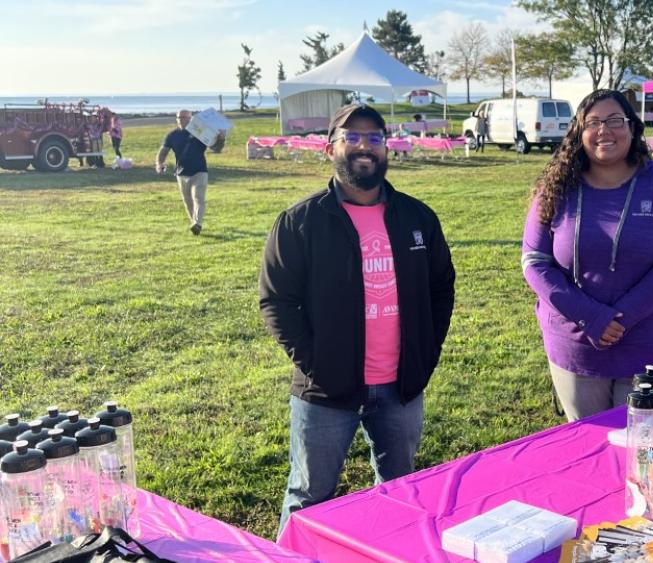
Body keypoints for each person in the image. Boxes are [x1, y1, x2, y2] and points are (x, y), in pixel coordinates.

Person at [260, 104, 456, 534]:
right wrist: (316, 363)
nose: (363, 146)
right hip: (326, 391)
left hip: (401, 387)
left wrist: (425, 354)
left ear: (387, 148)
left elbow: (442, 287)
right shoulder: (300, 221)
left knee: (401, 491)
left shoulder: (417, 217)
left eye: (374, 138)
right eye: (351, 137)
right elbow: (276, 300)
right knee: (309, 498)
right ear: (330, 148)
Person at [521, 89, 653, 421]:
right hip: (576, 349)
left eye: (615, 121)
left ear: (632, 128)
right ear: (579, 132)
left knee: (648, 451)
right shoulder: (555, 187)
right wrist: (590, 317)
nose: (605, 130)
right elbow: (535, 262)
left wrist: (618, 319)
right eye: (593, 122)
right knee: (589, 451)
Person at [155, 109, 225, 235]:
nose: (181, 120)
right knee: (188, 201)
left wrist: (220, 139)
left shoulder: (200, 133)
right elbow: (164, 151)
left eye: (184, 117)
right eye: (179, 117)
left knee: (198, 198)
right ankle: (194, 222)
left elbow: (216, 149)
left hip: (199, 171)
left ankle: (197, 223)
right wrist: (159, 163)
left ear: (191, 119)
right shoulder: (173, 135)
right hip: (181, 173)